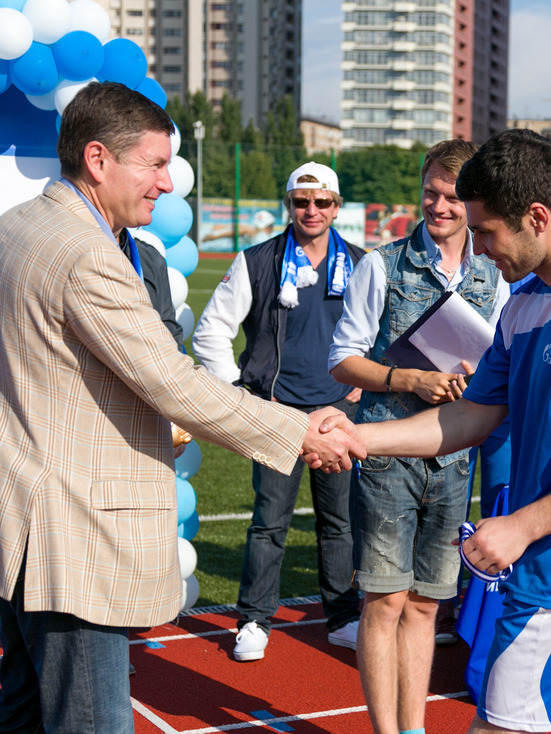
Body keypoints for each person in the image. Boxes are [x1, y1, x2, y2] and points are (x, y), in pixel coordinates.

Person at [0, 82, 362, 733]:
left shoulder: (20, 224)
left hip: (9, 507)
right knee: (92, 721)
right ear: (98, 159)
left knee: (24, 706)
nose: (165, 182)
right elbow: (173, 384)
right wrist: (300, 431)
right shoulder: (88, 255)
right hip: (65, 531)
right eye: (153, 163)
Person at [320, 128, 551, 734]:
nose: (477, 249)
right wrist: (359, 437)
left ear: (536, 217)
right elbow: (469, 416)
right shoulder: (524, 303)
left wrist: (521, 526)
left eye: (485, 231)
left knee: (500, 725)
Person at [328, 139, 508, 734]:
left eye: (453, 197)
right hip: (386, 455)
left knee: (428, 605)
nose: (439, 206)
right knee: (383, 602)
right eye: (431, 192)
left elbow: (500, 365)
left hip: (454, 459)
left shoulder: (495, 273)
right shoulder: (380, 264)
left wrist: (474, 379)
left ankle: (414, 729)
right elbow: (342, 360)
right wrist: (404, 377)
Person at [191, 162, 366, 662]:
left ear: (336, 207)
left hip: (337, 416)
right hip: (276, 416)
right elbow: (211, 332)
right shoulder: (257, 261)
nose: (312, 211)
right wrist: (240, 397)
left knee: (340, 524)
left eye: (323, 202)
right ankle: (253, 621)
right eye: (302, 202)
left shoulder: (360, 261)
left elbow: (383, 334)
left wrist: (358, 390)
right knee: (270, 522)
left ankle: (342, 617)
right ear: (288, 205)